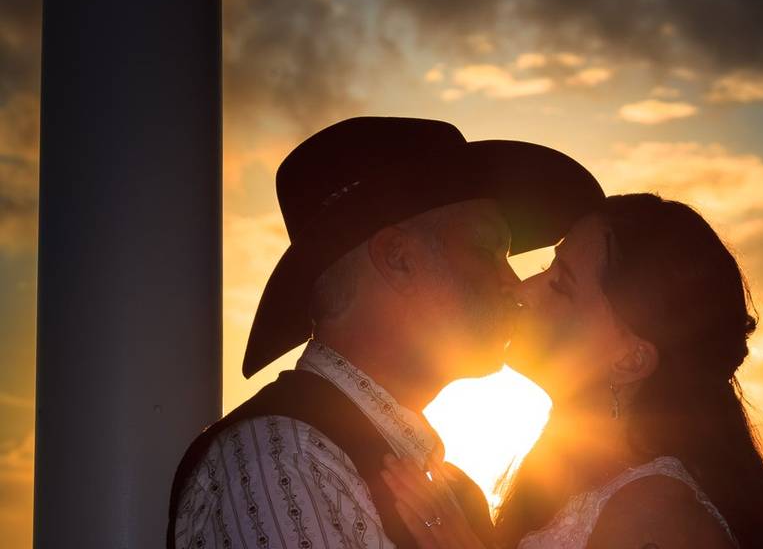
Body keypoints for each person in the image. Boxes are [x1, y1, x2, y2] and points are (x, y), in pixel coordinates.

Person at [166, 117, 604, 549]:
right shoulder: (282, 458)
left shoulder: (442, 488)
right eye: (488, 250)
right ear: (397, 258)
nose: (515, 284)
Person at [382, 193, 763, 549]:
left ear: (630, 359)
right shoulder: (582, 484)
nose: (524, 288)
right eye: (549, 268)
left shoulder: (653, 513)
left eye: (561, 286)